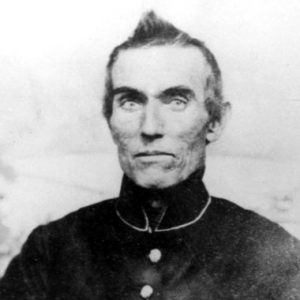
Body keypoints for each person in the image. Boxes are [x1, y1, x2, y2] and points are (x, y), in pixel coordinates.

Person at [0, 11, 300, 300]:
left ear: (215, 121)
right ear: (109, 119)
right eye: (131, 102)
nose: (150, 127)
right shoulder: (50, 250)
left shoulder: (274, 255)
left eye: (176, 101)